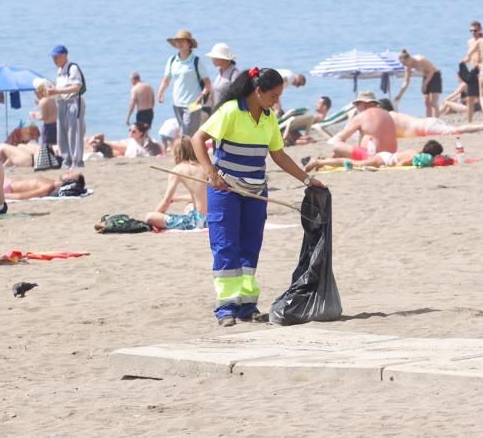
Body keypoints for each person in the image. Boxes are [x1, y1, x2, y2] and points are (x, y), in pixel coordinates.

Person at [191, 67, 325, 327]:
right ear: (258, 91)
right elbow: (198, 139)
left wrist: (307, 180)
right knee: (226, 245)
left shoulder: (269, 118)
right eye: (273, 96)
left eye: (278, 96)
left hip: (256, 191)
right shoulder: (230, 111)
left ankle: (246, 305)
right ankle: (226, 308)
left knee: (250, 246)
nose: (277, 101)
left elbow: (279, 155)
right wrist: (211, 173)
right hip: (225, 190)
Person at [157, 29, 212, 138]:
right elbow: (166, 80)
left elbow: (207, 83)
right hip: (177, 103)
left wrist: (202, 95)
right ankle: (191, 154)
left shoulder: (196, 61)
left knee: (185, 133)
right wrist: (160, 92)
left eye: (183, 41)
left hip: (193, 103)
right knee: (186, 133)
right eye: (177, 41)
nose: (180, 43)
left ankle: (185, 154)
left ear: (189, 43)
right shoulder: (172, 60)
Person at [144, 137, 208, 231]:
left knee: (149, 217)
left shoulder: (178, 170)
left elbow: (166, 201)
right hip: (211, 218)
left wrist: (157, 215)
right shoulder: (203, 167)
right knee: (189, 206)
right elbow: (202, 196)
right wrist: (178, 198)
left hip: (198, 222)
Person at [46, 45, 86, 169]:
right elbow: (61, 89)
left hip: (73, 101)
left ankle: (77, 161)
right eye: (53, 57)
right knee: (62, 133)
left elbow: (76, 87)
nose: (54, 60)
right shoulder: (59, 71)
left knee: (74, 132)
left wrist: (57, 90)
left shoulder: (72, 68)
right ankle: (66, 159)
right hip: (62, 103)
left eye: (56, 57)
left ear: (65, 56)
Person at [326, 91, 398, 160]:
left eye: (357, 104)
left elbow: (339, 138)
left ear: (364, 105)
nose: (356, 108)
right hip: (391, 156)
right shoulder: (387, 114)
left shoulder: (362, 116)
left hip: (370, 156)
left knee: (337, 145)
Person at [378, 99, 483, 137]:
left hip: (427, 127)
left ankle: (481, 126)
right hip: (428, 122)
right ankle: (482, 126)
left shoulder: (389, 117)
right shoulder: (395, 115)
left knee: (455, 131)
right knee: (454, 129)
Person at [305, 140, 444, 171]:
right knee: (353, 163)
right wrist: (386, 168)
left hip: (385, 155)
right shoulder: (416, 156)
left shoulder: (416, 151)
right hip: (384, 159)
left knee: (354, 163)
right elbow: (401, 163)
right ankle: (317, 162)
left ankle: (325, 162)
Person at [393, 50, 442, 117]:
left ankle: (437, 121)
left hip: (435, 75)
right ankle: (429, 120)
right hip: (426, 76)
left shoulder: (420, 60)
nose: (404, 65)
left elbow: (431, 71)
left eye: (404, 63)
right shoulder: (408, 66)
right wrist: (399, 95)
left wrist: (424, 84)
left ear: (408, 59)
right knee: (426, 103)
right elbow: (406, 82)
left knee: (433, 102)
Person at [87, 122, 161, 158]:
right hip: (122, 154)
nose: (130, 133)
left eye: (133, 131)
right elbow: (121, 147)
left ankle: (98, 145)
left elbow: (151, 153)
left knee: (105, 149)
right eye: (129, 130)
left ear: (141, 133)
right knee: (104, 147)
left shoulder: (148, 143)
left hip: (126, 157)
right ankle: (99, 144)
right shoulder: (133, 141)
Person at [3, 172, 86, 200]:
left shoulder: (48, 187)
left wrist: (1, 195)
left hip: (5, 188)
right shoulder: (51, 181)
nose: (69, 172)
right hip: (7, 182)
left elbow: (21, 196)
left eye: (71, 174)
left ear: (71, 182)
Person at [30, 79, 58, 146]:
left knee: (47, 146)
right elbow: (50, 112)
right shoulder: (52, 99)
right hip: (56, 125)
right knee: (55, 145)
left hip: (49, 127)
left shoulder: (43, 102)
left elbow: (44, 117)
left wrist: (34, 115)